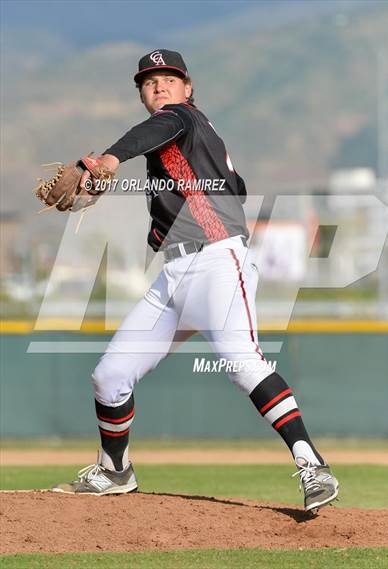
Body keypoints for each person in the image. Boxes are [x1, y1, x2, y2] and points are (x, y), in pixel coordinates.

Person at [53, 49, 339, 512]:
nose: (159, 86)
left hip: (218, 264)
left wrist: (109, 159)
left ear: (187, 89)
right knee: (109, 376)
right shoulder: (188, 139)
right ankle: (115, 469)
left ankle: (313, 466)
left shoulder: (179, 119)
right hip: (174, 275)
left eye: (168, 78)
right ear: (141, 93)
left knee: (244, 364)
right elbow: (238, 185)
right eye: (149, 82)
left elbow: (159, 128)